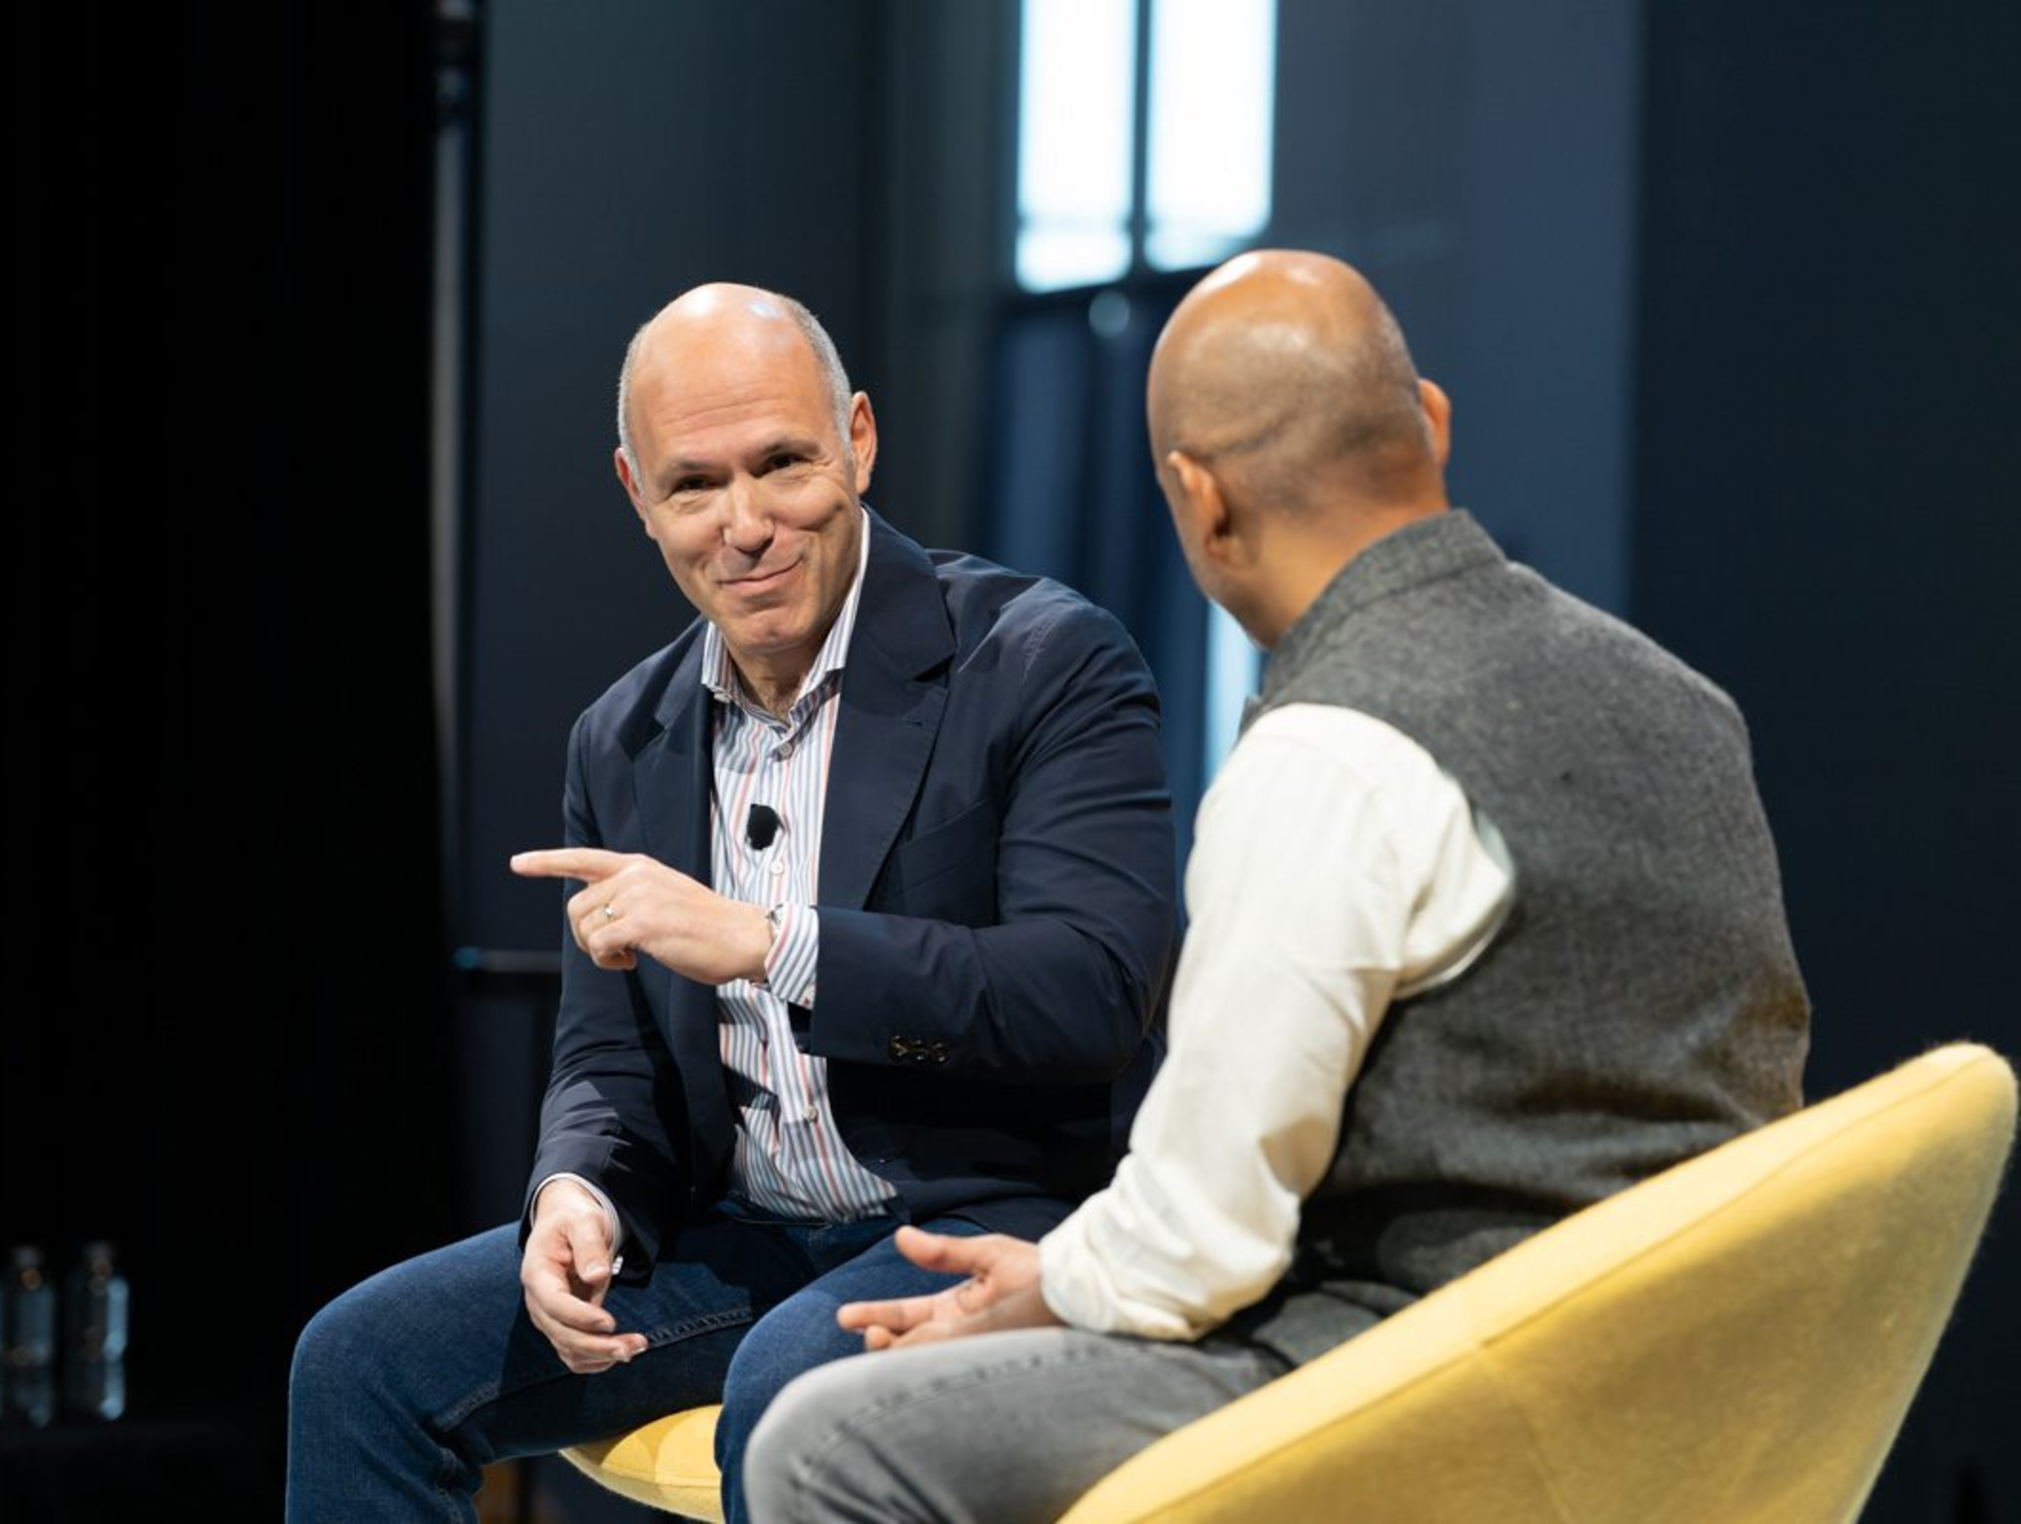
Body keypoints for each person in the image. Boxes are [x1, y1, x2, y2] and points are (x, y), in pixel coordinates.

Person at [743, 249, 1811, 1523]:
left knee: (826, 1443)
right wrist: (1076, 1269)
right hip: (1723, 1393)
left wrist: (1056, 1286)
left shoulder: (1328, 754)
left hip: (1442, 1381)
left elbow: (1205, 1240)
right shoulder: (1684, 703)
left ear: (1201, 500)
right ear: (1432, 423)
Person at [283, 284, 1177, 1524]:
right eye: (695, 485)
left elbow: (1091, 994)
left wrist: (769, 944)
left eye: (783, 465)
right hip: (744, 1232)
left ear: (858, 441)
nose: (745, 525)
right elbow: (607, 1064)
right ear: (635, 494)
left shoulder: (1043, 658)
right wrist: (577, 1193)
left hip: (980, 1217)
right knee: (357, 1365)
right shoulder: (622, 737)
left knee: (788, 1395)